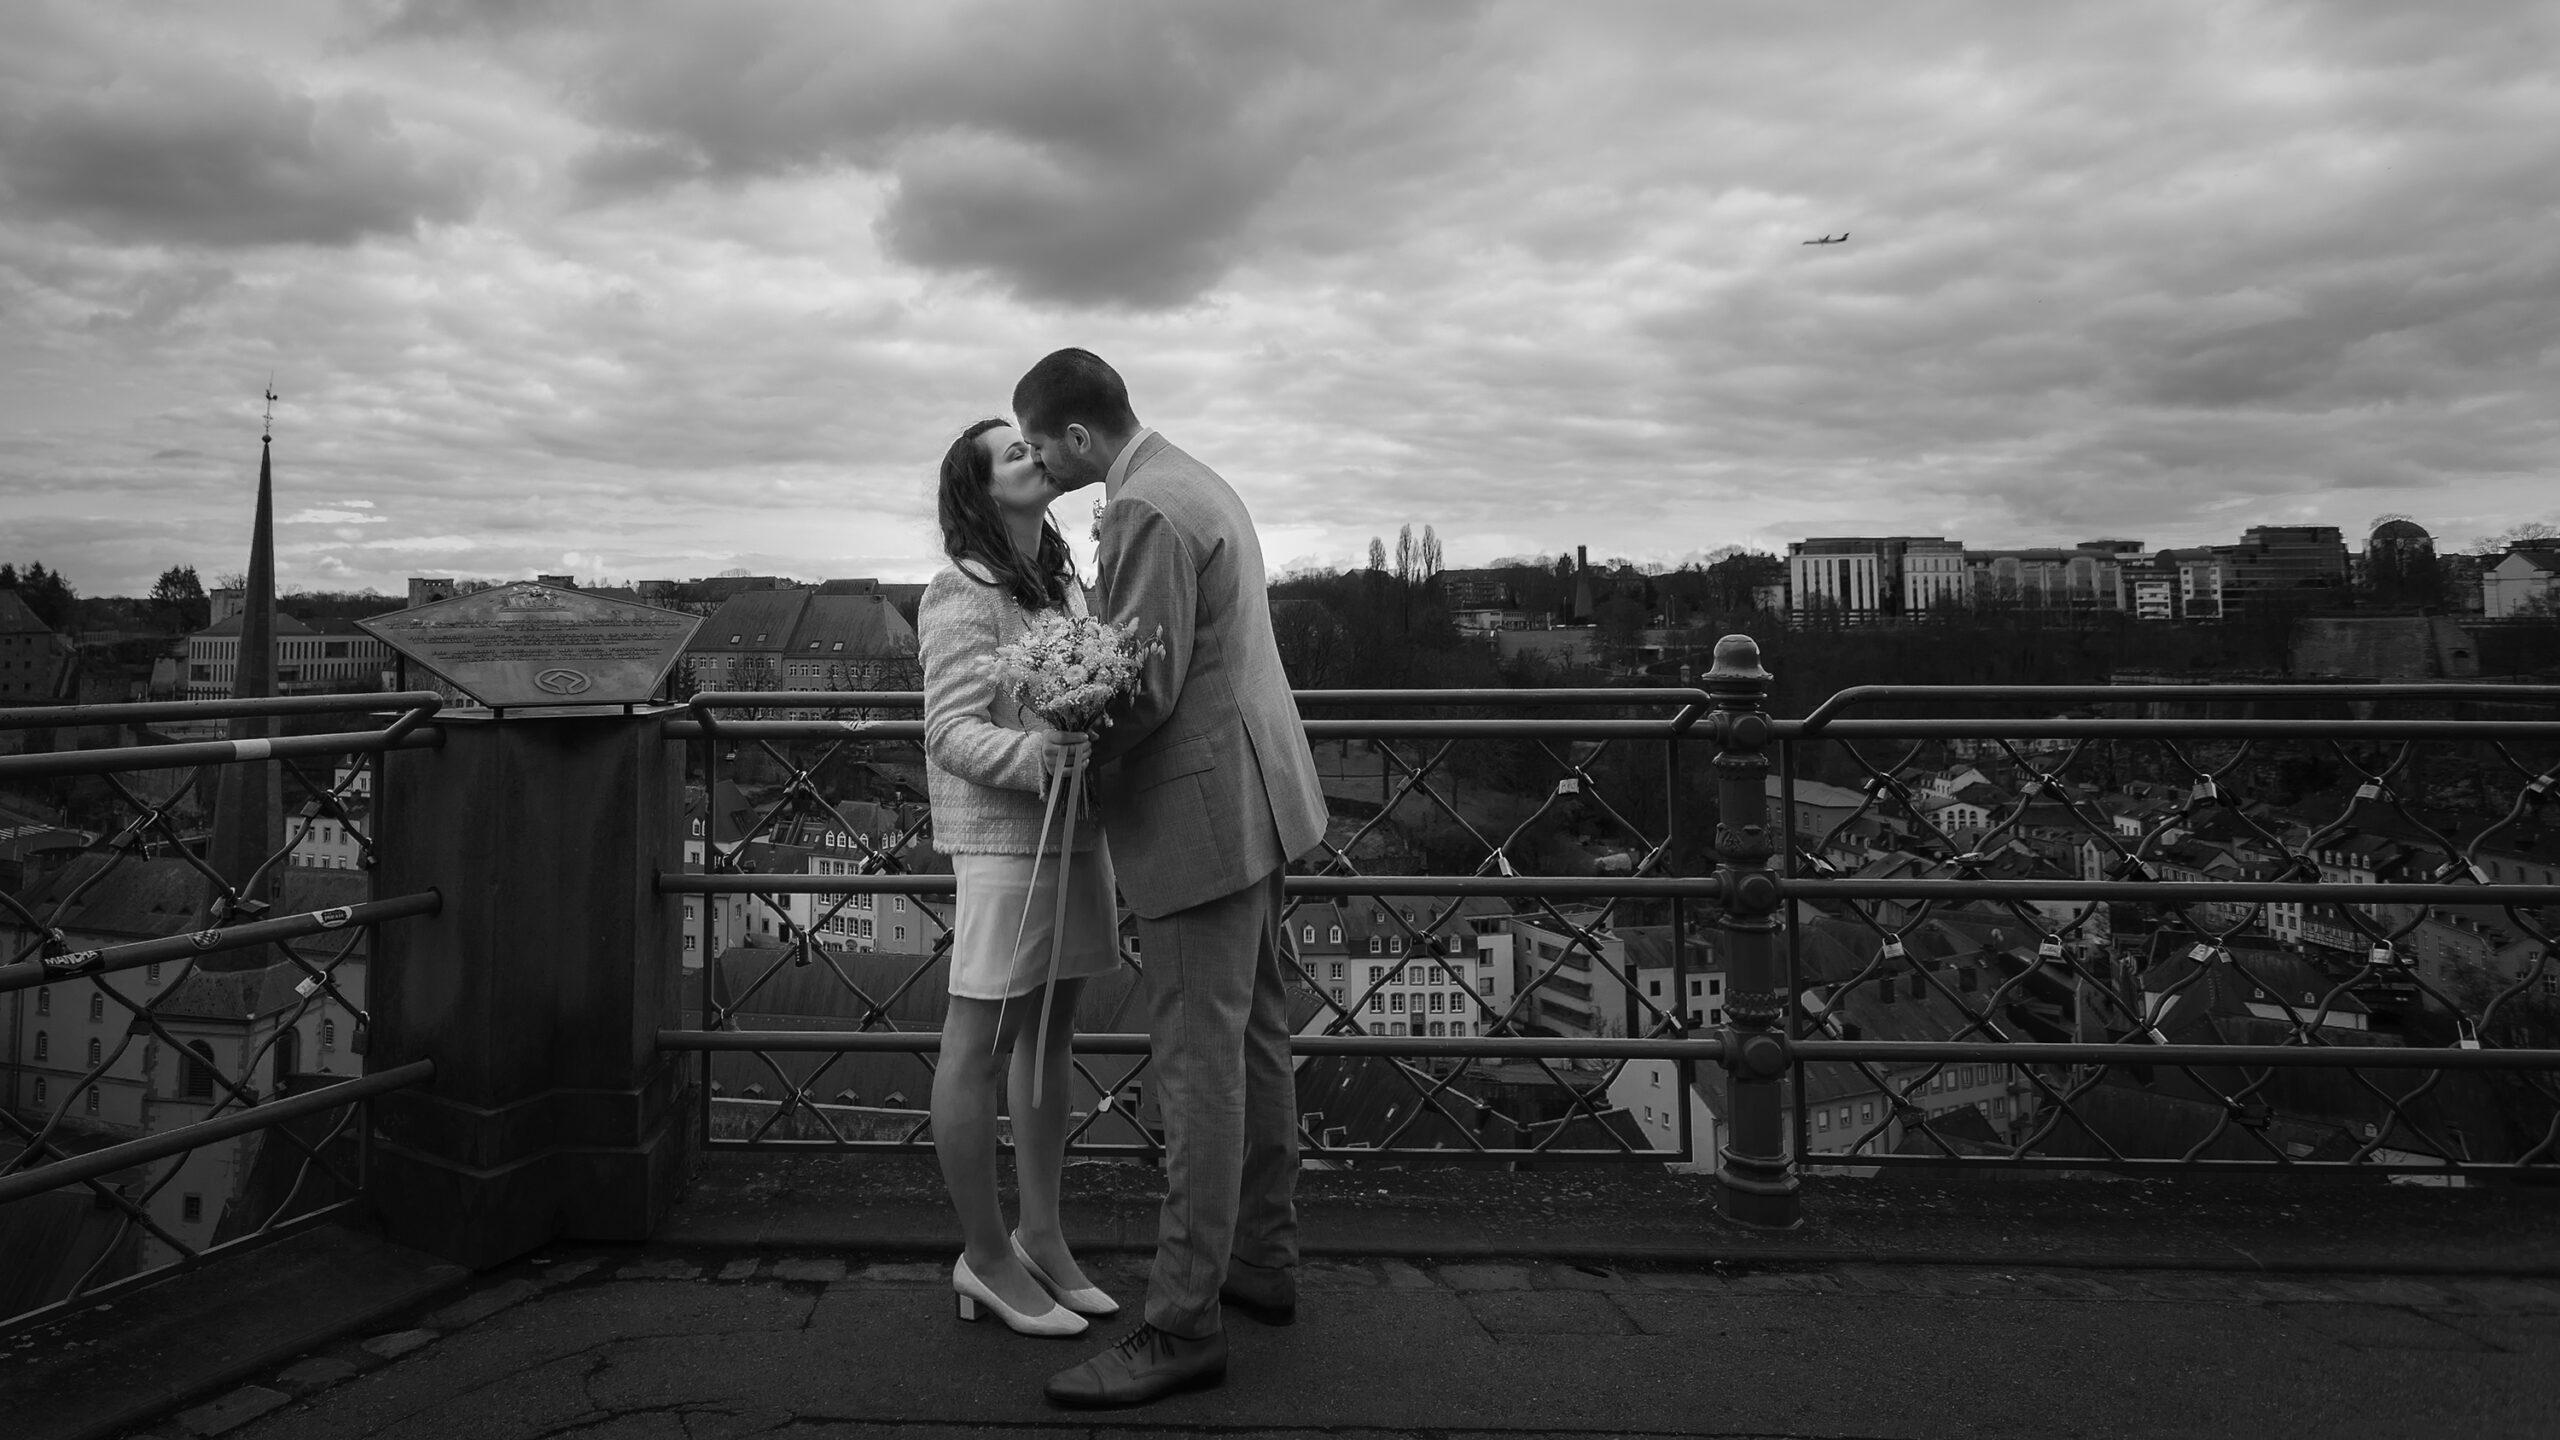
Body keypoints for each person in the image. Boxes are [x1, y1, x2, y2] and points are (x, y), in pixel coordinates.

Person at [1011, 349, 1330, 1408]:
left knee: (1196, 1065)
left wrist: (1071, 740)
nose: (1038, 468)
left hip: (1199, 816)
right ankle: (1261, 1264)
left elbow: (1140, 683)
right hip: (1257, 797)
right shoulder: (1195, 477)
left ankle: (1182, 1321)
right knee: (1254, 1039)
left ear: (1076, 437)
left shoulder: (1142, 507)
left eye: (1039, 448)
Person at [920, 417, 1125, 1339]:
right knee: (981, 1043)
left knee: (1052, 1033)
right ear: (977, 490)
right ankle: (985, 1254)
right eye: (1013, 453)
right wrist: (1039, 757)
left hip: (1076, 835)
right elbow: (949, 731)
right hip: (1006, 842)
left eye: (1033, 447)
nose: (1035, 456)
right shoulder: (959, 588)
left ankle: (1042, 1234)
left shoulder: (1060, 580)